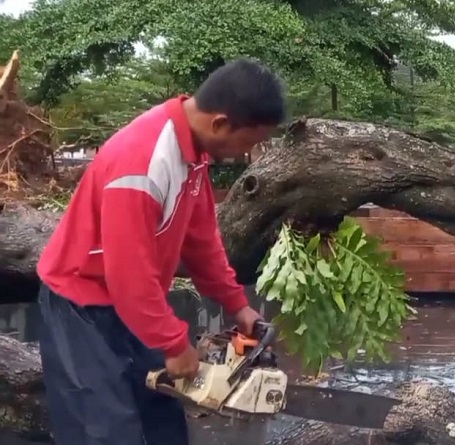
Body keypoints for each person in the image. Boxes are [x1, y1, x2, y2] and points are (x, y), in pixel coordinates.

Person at [35, 58, 286, 445]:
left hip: (132, 302)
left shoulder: (194, 157)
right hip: (80, 304)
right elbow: (128, 274)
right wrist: (173, 342)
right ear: (220, 123)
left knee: (164, 422)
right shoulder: (143, 161)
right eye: (248, 143)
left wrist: (238, 306)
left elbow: (202, 242)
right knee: (104, 432)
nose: (243, 154)